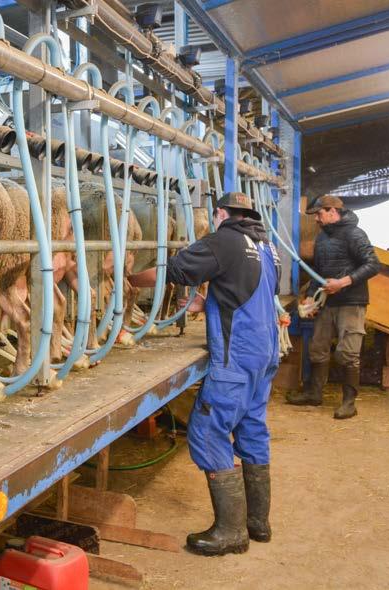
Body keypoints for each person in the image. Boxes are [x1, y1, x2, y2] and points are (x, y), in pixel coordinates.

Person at [129, 192, 281, 556]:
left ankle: (230, 532)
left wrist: (129, 279)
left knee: (208, 430)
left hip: (237, 355)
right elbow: (250, 291)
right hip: (264, 352)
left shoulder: (224, 239)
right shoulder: (267, 246)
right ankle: (257, 523)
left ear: (221, 214)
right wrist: (208, 302)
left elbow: (174, 271)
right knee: (252, 429)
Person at [286, 195, 380, 418]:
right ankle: (314, 394)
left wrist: (343, 282)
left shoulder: (355, 234)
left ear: (332, 211)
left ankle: (349, 403)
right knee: (317, 348)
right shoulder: (322, 238)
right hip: (327, 302)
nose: (316, 219)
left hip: (351, 302)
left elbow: (373, 264)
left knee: (348, 352)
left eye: (319, 214)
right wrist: (311, 297)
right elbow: (318, 272)